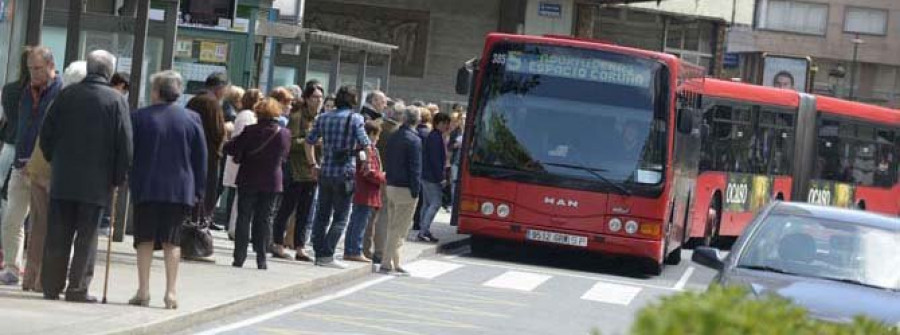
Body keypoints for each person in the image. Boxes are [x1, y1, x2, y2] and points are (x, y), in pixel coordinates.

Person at [39, 50, 132, 302]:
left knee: (58, 232)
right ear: (108, 72)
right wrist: (118, 177)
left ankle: (51, 285)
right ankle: (77, 287)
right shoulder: (116, 100)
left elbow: (46, 133)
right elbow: (124, 143)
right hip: (97, 181)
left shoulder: (66, 95)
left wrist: (54, 159)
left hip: (64, 176)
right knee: (87, 236)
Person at [129, 70, 206, 309]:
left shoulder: (139, 117)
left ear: (155, 91)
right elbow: (200, 158)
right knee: (173, 242)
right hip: (179, 189)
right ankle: (171, 293)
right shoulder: (192, 119)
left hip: (147, 186)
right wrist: (199, 190)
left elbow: (130, 153)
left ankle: (143, 290)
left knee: (144, 240)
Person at [20, 60, 87, 293]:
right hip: (50, 173)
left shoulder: (59, 100)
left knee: (38, 227)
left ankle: (30, 278)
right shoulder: (72, 104)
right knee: (52, 230)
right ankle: (40, 280)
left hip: (38, 168)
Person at [0, 46, 63, 286]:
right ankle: (12, 267)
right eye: (29, 69)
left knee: (41, 224)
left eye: (37, 68)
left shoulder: (61, 91)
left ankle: (38, 275)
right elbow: (25, 127)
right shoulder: (26, 92)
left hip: (44, 168)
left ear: (50, 65)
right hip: (20, 162)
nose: (33, 73)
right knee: (11, 219)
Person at [304, 85, 370, 269]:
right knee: (341, 217)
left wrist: (312, 164)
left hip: (325, 171)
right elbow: (366, 143)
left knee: (321, 215)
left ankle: (318, 252)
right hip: (345, 173)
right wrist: (365, 163)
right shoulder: (355, 118)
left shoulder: (323, 117)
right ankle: (327, 254)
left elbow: (309, 142)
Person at [224, 98, 291, 270]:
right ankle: (262, 259)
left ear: (258, 113)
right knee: (265, 219)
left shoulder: (250, 130)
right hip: (272, 181)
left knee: (244, 218)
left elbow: (232, 148)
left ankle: (239, 257)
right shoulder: (284, 133)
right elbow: (284, 156)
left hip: (248, 179)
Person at [271, 83, 323, 261]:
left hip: (312, 170)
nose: (319, 101)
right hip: (295, 169)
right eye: (315, 97)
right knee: (287, 207)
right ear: (307, 99)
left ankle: (300, 246)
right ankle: (277, 242)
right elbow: (290, 142)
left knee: (305, 210)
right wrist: (312, 142)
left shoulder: (320, 119)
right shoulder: (297, 117)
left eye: (320, 97)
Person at [380, 107, 422, 276]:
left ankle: (395, 261)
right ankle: (388, 262)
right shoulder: (414, 140)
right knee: (400, 229)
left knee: (392, 226)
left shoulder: (394, 136)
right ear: (417, 120)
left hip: (391, 185)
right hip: (406, 188)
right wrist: (416, 190)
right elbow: (415, 168)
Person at [364, 101, 404, 262]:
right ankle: (379, 250)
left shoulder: (377, 125)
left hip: (371, 174)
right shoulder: (398, 132)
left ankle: (364, 248)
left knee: (369, 214)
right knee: (384, 215)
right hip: (387, 177)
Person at [222, 88, 262, 239]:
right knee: (240, 198)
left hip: (241, 160)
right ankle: (235, 228)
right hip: (241, 161)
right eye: (260, 98)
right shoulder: (247, 116)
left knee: (239, 198)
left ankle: (235, 227)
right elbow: (241, 138)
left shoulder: (247, 115)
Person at [344, 121, 385, 262]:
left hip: (366, 192)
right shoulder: (365, 150)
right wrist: (383, 176)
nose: (378, 138)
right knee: (359, 223)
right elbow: (368, 172)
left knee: (356, 221)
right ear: (372, 134)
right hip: (365, 192)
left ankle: (350, 249)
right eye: (377, 135)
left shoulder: (366, 149)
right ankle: (354, 250)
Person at [186, 93, 226, 232]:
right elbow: (219, 131)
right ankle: (201, 221)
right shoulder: (213, 103)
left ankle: (191, 219)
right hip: (209, 154)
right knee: (206, 189)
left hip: (190, 151)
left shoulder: (193, 101)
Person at [418, 112, 451, 243]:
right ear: (439, 123)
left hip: (426, 174)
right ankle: (423, 230)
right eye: (445, 124)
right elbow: (436, 160)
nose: (447, 127)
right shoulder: (436, 138)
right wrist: (441, 177)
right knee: (435, 203)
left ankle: (423, 229)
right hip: (432, 176)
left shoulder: (433, 136)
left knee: (426, 204)